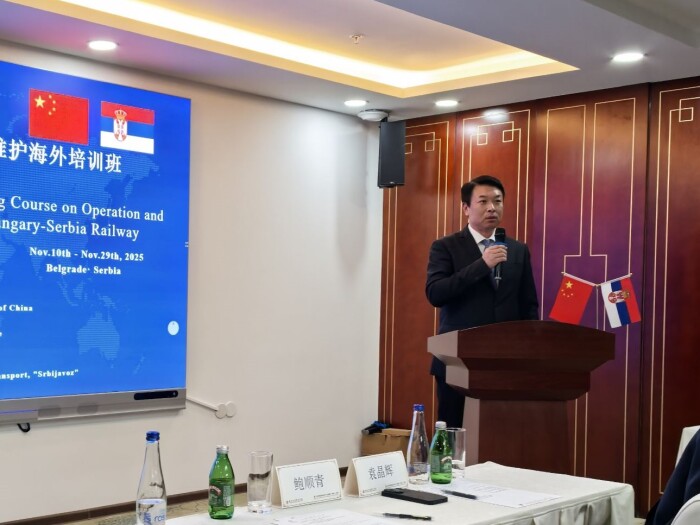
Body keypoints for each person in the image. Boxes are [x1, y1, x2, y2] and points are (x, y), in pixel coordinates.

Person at [425, 175, 539, 427]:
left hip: (505, 362)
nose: (492, 208)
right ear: (466, 208)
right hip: (457, 361)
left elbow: (529, 305)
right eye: (483, 201)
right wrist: (482, 265)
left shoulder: (518, 250)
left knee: (502, 432)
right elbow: (436, 293)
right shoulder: (445, 247)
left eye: (497, 201)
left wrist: (529, 353)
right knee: (454, 431)